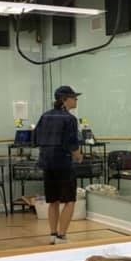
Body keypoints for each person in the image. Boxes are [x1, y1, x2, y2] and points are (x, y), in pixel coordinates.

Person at [33, 85, 82, 245]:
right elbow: (73, 144)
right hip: (63, 164)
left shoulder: (44, 116)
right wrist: (78, 157)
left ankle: (53, 234)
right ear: (64, 99)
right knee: (69, 200)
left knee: (52, 200)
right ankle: (62, 236)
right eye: (74, 97)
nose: (76, 100)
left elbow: (35, 139)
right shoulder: (70, 119)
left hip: (47, 163)